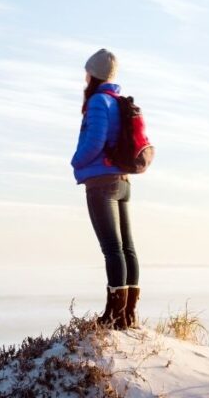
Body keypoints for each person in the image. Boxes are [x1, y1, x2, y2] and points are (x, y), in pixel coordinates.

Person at [71, 48, 140, 330]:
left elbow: (95, 141)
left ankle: (114, 316)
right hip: (122, 182)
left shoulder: (99, 101)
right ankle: (128, 315)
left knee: (112, 249)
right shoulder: (117, 101)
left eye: (87, 72)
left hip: (102, 183)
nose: (85, 77)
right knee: (126, 248)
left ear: (94, 74)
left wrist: (76, 161)